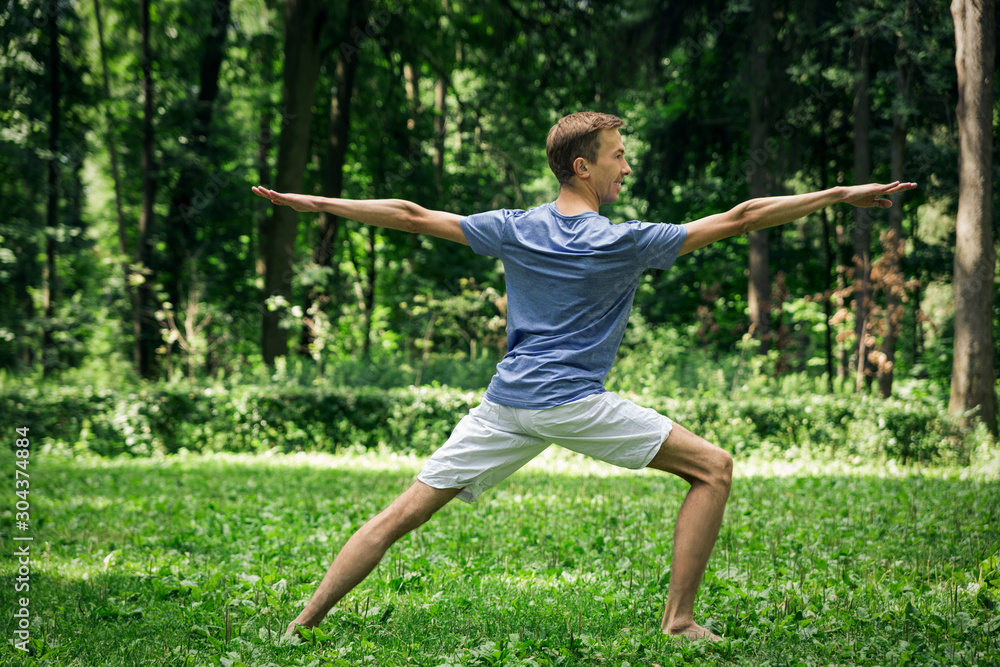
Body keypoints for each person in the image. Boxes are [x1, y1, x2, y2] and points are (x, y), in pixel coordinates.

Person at [252, 111, 916, 641]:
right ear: (583, 165)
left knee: (400, 514)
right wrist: (837, 195)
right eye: (617, 155)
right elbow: (742, 217)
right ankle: (679, 619)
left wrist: (312, 203)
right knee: (712, 467)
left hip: (505, 403)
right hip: (568, 400)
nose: (627, 165)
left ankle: (300, 626)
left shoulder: (516, 227)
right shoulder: (624, 240)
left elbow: (411, 215)